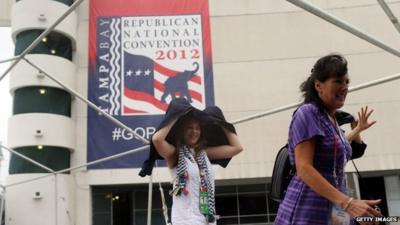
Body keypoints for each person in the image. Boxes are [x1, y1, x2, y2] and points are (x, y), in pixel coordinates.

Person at [274, 54, 381, 225]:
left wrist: (354, 217)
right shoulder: (308, 112)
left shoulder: (331, 120)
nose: (345, 87)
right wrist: (349, 204)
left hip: (328, 211)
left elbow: (336, 164)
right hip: (304, 212)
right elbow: (304, 168)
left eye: (347, 82)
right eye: (338, 81)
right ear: (318, 85)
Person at [151, 100, 243, 225]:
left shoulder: (203, 153)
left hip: (206, 219)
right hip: (185, 221)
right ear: (182, 130)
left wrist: (220, 123)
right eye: (189, 127)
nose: (194, 131)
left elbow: (237, 147)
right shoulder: (175, 154)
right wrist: (177, 115)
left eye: (197, 128)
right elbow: (157, 139)